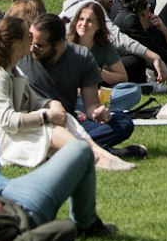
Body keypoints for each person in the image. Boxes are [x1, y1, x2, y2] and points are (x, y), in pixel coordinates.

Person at [0, 16, 133, 173]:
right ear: (17, 44)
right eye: (28, 38)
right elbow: (8, 120)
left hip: (15, 129)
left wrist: (51, 104)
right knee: (49, 128)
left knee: (67, 117)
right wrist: (46, 115)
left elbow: (33, 103)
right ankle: (91, 157)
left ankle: (98, 153)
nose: (32, 44)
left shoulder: (13, 70)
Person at [19, 13, 138, 158]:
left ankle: (64, 148)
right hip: (33, 123)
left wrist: (99, 112)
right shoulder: (20, 54)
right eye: (30, 41)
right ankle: (100, 151)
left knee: (123, 122)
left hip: (68, 123)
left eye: (39, 46)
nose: (31, 49)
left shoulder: (82, 57)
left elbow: (92, 106)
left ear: (58, 43)